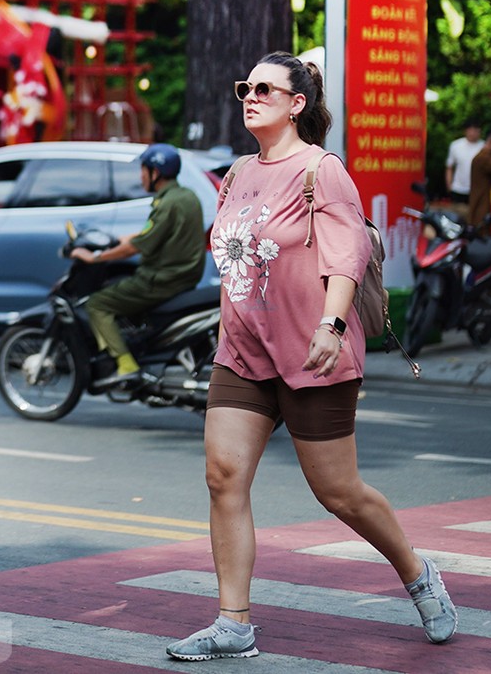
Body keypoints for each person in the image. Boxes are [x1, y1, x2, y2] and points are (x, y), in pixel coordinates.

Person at [166, 51, 455, 662]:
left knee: (338, 492)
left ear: (297, 104)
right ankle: (233, 623)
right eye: (245, 86)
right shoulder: (239, 172)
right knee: (223, 478)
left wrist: (330, 322)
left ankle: (417, 571)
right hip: (243, 352)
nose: (250, 96)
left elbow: (346, 254)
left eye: (266, 89)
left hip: (312, 351)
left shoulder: (322, 171)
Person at [71, 143, 205, 394]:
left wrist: (94, 257)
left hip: (162, 279)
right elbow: (153, 233)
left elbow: (138, 246)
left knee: (98, 304)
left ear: (156, 172)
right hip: (184, 276)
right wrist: (121, 239)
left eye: (143, 170)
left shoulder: (166, 204)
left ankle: (125, 364)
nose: (140, 176)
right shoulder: (186, 196)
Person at [443, 120, 483, 209]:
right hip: (458, 189)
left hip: (476, 190)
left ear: (479, 131)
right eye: (470, 130)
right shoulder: (455, 145)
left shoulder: (483, 147)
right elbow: (449, 167)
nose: (472, 133)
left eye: (475, 130)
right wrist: (449, 186)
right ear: (465, 131)